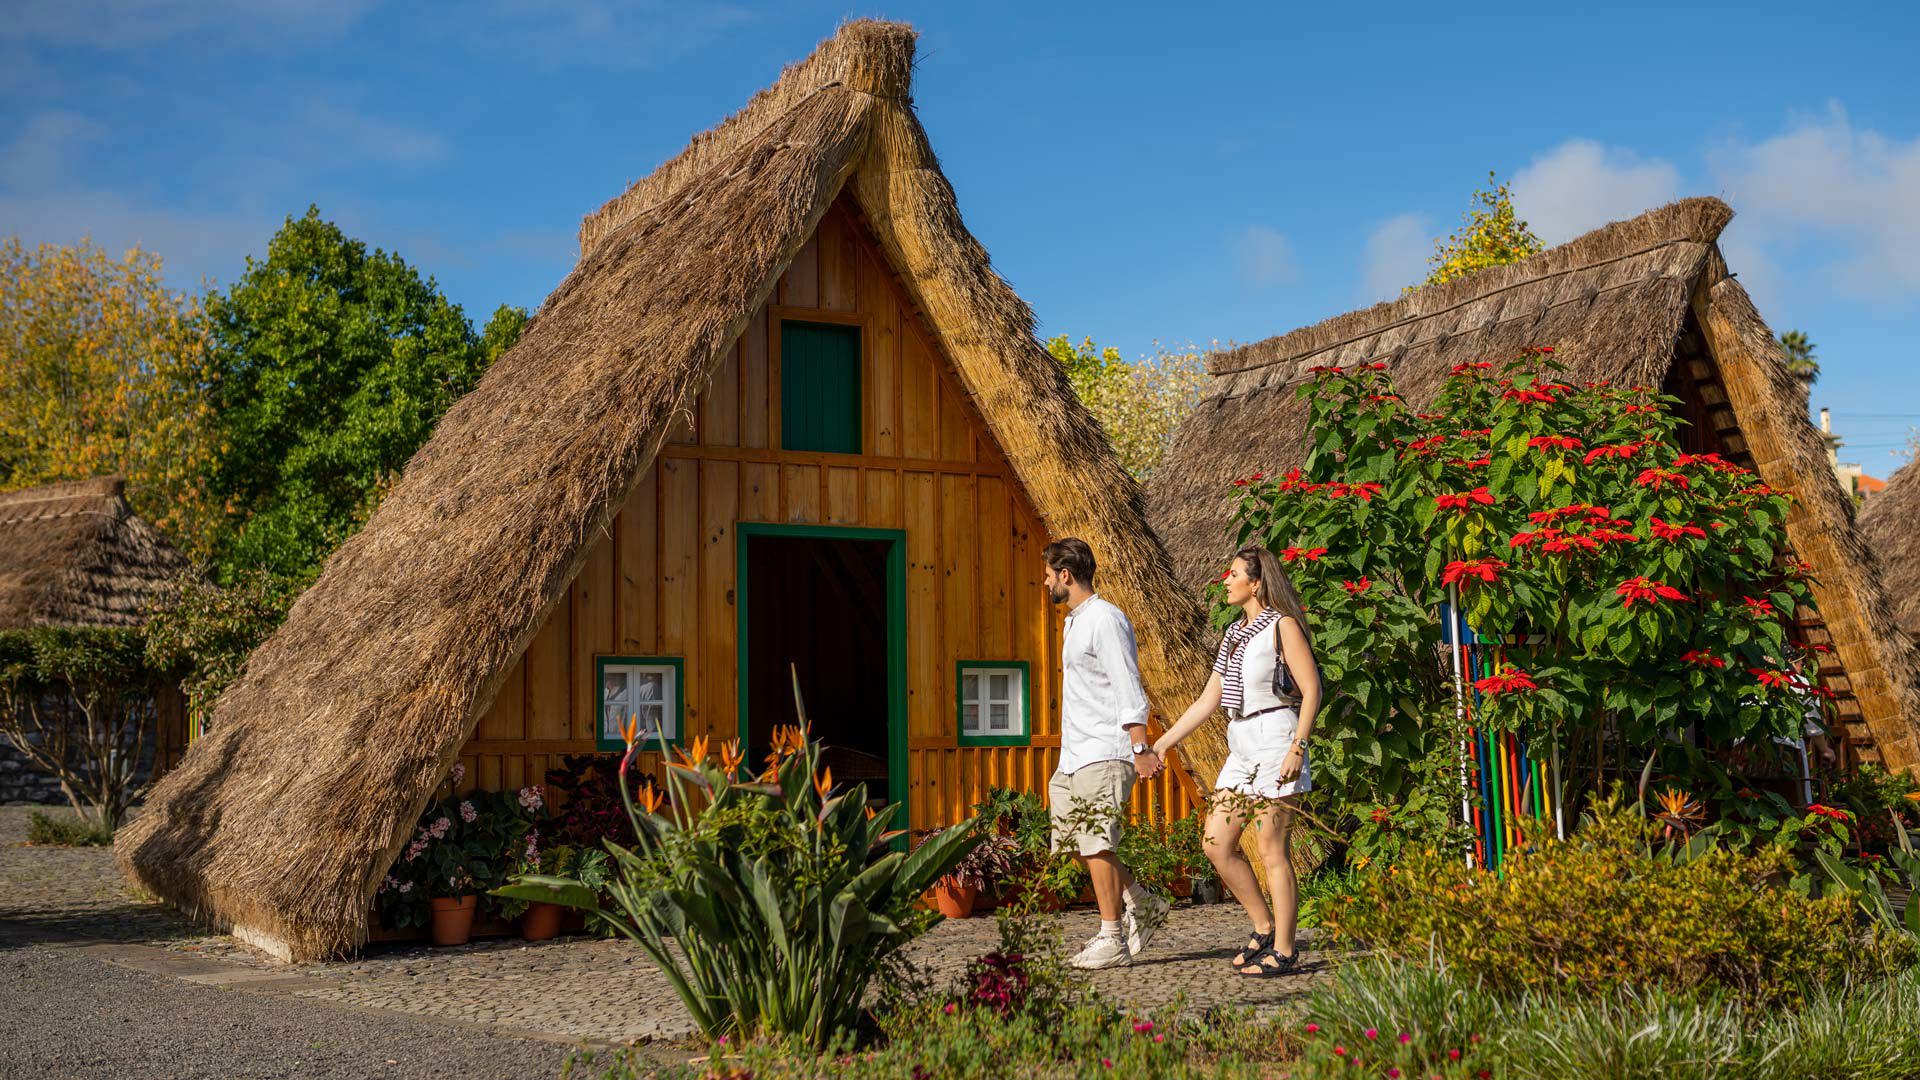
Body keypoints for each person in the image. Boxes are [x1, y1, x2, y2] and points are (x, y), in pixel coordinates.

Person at [1147, 545, 1320, 976]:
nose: (1226, 579)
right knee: (1216, 843)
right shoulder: (1234, 635)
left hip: (1277, 735)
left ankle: (1286, 949)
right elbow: (1209, 699)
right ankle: (1263, 927)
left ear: (1256, 582)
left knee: (1271, 849)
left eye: (1234, 573)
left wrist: (1297, 746)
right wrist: (1163, 743)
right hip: (1240, 740)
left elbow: (1312, 689)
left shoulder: (1283, 626)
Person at [1042, 537, 1171, 969]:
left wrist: (1139, 747)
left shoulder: (1106, 619)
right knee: (1080, 842)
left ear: (1066, 575)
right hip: (1075, 754)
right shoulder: (1074, 622)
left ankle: (1111, 938)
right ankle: (1141, 902)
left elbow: (1128, 685)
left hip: (1106, 750)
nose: (1045, 582)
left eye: (1048, 574)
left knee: (1097, 842)